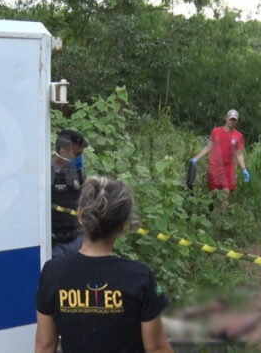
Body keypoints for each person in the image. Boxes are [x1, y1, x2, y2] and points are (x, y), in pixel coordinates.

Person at [35, 176, 173, 353]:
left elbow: (45, 344)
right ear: (123, 226)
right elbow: (156, 348)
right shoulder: (139, 277)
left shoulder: (53, 273)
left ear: (80, 215)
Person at [190, 109, 249, 209]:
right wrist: (196, 159)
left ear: (236, 121)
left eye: (234, 120)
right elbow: (208, 147)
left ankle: (222, 216)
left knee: (226, 192)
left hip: (228, 168)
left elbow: (239, 154)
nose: (232, 122)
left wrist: (244, 169)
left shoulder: (238, 136)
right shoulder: (216, 131)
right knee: (212, 194)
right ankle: (210, 213)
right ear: (226, 118)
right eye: (230, 119)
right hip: (214, 166)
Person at [51, 129, 88, 259]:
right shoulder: (45, 172)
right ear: (62, 152)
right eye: (77, 154)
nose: (79, 158)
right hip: (54, 244)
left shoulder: (77, 172)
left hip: (76, 239)